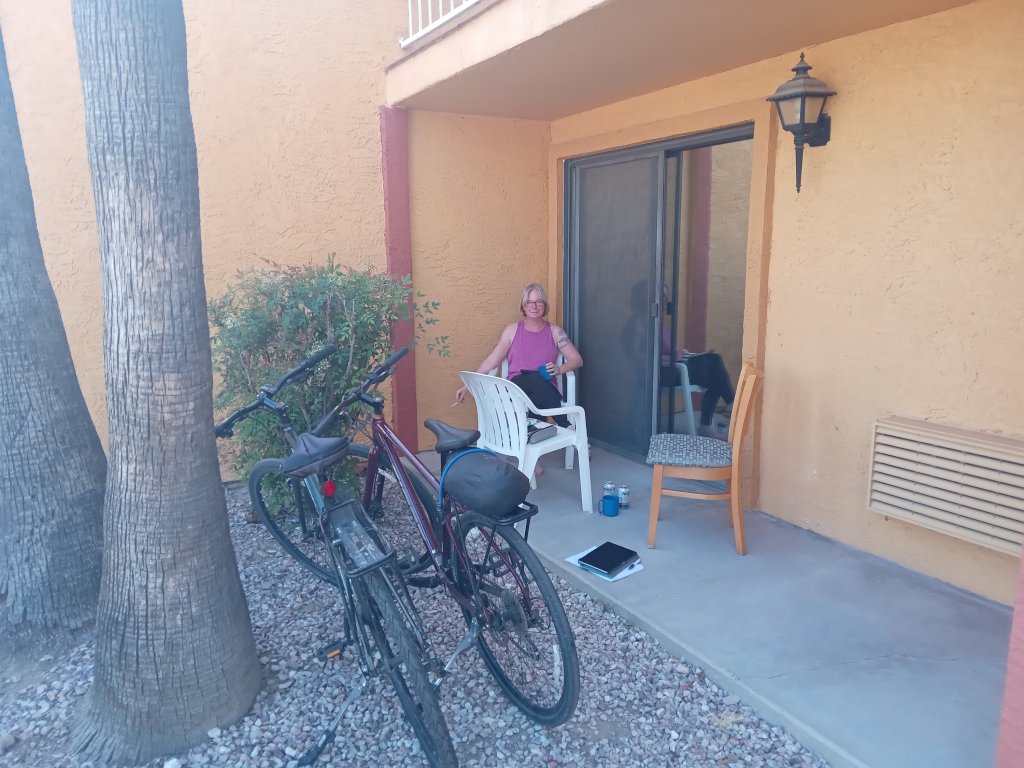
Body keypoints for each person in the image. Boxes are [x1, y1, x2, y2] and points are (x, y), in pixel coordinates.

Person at [454, 283, 583, 428]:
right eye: (529, 302)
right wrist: (467, 385)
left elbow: (577, 360)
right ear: (523, 306)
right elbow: (492, 360)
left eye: (539, 302)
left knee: (536, 393)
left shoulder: (556, 332)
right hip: (516, 386)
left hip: (544, 387)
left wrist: (559, 369)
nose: (534, 306)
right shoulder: (512, 330)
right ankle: (565, 424)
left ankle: (534, 430)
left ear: (545, 305)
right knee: (533, 376)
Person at [661, 325, 734, 438]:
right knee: (714, 365)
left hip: (679, 366)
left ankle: (725, 407)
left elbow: (672, 352)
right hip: (667, 373)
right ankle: (710, 421)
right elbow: (642, 357)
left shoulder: (662, 328)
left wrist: (682, 352)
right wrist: (671, 358)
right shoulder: (643, 326)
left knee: (714, 364)